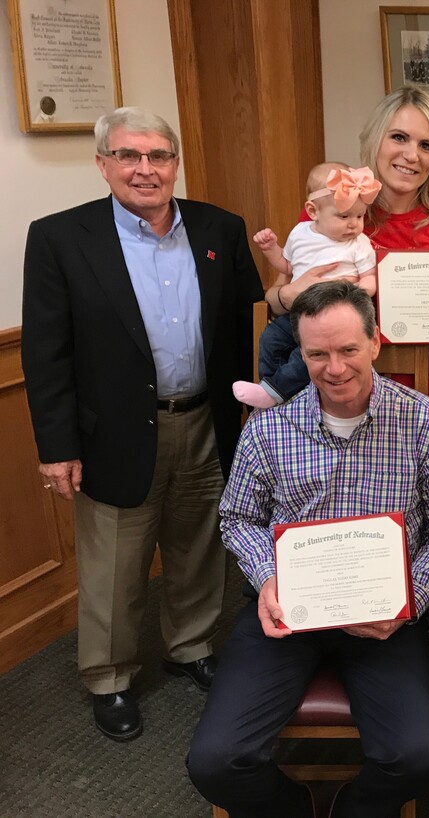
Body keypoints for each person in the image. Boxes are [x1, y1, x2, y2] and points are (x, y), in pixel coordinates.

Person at [21, 106, 264, 740]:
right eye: (129, 156)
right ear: (103, 164)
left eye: (158, 156)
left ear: (175, 163)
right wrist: (57, 446)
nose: (145, 169)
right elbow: (46, 353)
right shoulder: (59, 238)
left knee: (200, 543)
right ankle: (109, 676)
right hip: (116, 430)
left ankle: (189, 646)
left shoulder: (220, 228)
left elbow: (249, 324)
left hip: (208, 421)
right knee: (114, 564)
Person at [186, 281, 429, 817]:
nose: (334, 367)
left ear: (375, 342)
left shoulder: (427, 424)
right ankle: (297, 807)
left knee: (415, 756)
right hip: (288, 611)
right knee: (214, 763)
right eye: (317, 354)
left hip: (386, 619)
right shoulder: (268, 429)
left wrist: (409, 600)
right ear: (302, 353)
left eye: (348, 350)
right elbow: (237, 516)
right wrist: (267, 578)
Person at [272, 86, 429, 409]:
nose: (411, 155)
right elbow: (276, 298)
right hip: (334, 387)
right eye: (398, 137)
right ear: (375, 139)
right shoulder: (330, 204)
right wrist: (286, 296)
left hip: (421, 390)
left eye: (426, 145)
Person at [233, 162, 381, 408]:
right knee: (270, 338)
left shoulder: (358, 243)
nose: (354, 224)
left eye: (360, 216)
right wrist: (270, 249)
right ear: (313, 211)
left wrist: (358, 291)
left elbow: (369, 277)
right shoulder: (300, 234)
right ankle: (272, 389)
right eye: (344, 216)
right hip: (297, 312)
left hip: (337, 319)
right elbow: (286, 266)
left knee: (314, 353)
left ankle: (275, 391)